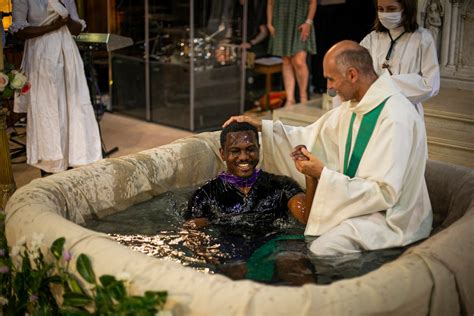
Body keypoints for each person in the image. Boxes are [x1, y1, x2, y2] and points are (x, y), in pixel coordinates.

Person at [224, 40, 432, 256]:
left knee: (324, 248)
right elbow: (311, 137)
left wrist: (322, 174)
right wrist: (265, 128)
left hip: (391, 216)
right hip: (361, 203)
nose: (329, 88)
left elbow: (385, 193)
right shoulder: (355, 107)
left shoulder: (395, 117)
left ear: (352, 75)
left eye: (331, 79)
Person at [10, 0, 102, 174]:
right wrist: (53, 27)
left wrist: (66, 19)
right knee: (48, 110)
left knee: (71, 108)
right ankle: (50, 165)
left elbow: (76, 29)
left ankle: (73, 158)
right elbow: (20, 31)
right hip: (41, 54)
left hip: (67, 53)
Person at [185, 121, 315, 228]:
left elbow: (307, 220)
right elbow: (192, 233)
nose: (243, 157)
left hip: (273, 249)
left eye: (250, 149)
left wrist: (310, 176)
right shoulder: (205, 195)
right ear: (222, 154)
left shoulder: (282, 186)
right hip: (229, 254)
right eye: (235, 151)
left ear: (259, 149)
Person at [360, 0, 440, 115]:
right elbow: (358, 74)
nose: (385, 14)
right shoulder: (371, 39)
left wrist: (384, 84)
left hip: (405, 112)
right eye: (380, 9)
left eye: (391, 9)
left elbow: (431, 85)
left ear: (406, 9)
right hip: (373, 110)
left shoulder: (423, 39)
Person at [267, 0, 317, 106]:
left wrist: (308, 22)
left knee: (299, 60)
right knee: (286, 60)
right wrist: (269, 23)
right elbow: (270, 3)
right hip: (281, 20)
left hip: (300, 19)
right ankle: (290, 99)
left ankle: (303, 97)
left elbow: (313, 2)